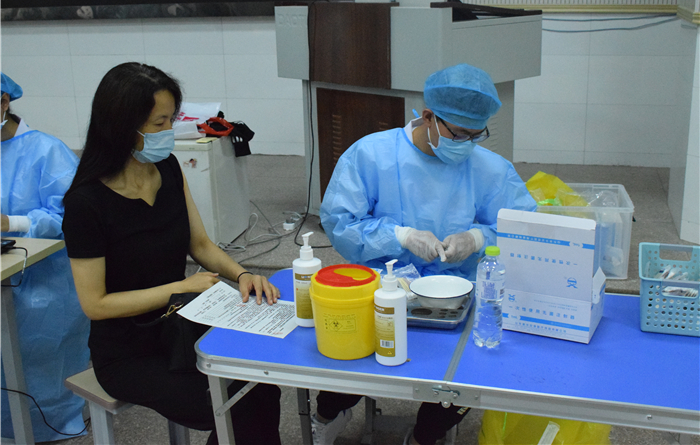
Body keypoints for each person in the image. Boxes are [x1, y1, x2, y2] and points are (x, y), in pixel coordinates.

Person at [315, 63, 538, 445]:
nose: (467, 144)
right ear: (428, 116)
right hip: (382, 287)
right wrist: (399, 236)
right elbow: (340, 222)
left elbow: (523, 228)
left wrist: (477, 238)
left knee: (467, 376)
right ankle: (328, 412)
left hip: (459, 290)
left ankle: (425, 435)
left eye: (476, 135)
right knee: (348, 362)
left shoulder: (489, 169)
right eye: (459, 133)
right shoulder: (372, 155)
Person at [61, 62, 282, 445]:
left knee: (261, 385)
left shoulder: (167, 167)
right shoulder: (86, 204)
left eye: (171, 120)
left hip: (179, 327)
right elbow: (95, 304)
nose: (169, 132)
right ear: (122, 126)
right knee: (234, 404)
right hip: (128, 352)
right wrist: (181, 287)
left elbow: (201, 245)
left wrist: (242, 274)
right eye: (159, 123)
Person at [0, 73, 91, 441]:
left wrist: (11, 223)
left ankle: (49, 424)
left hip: (45, 284)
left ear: (4, 102)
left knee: (38, 360)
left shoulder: (46, 151)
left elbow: (70, 214)